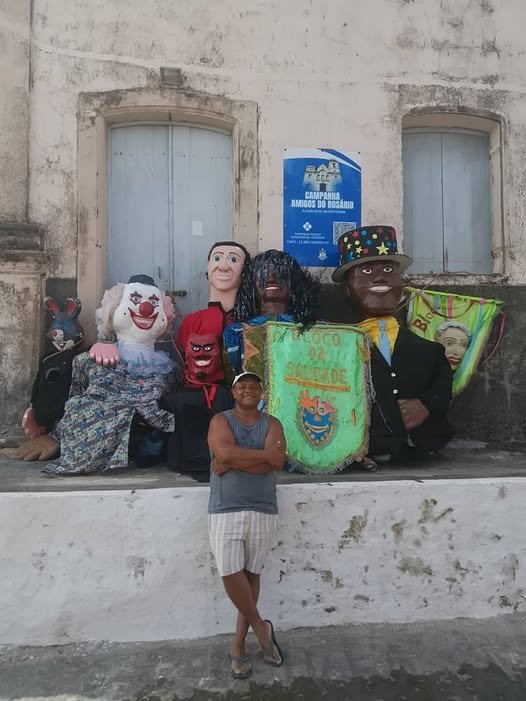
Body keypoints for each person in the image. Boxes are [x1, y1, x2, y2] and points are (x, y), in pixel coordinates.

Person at [332, 225, 453, 468]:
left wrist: (426, 405)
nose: (380, 278)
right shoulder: (336, 349)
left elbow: (443, 384)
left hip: (419, 451)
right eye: (366, 270)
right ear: (346, 288)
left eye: (389, 270)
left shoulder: (429, 351)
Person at [207, 371, 286, 679]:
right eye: (242, 386)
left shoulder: (273, 423)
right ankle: (262, 629)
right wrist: (262, 456)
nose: (248, 390)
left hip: (263, 506)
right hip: (225, 507)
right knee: (230, 572)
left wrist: (233, 461)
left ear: (261, 392)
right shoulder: (221, 421)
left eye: (254, 386)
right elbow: (223, 451)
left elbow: (277, 462)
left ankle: (239, 644)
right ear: (234, 392)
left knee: (252, 574)